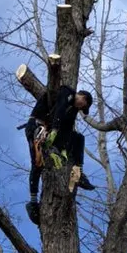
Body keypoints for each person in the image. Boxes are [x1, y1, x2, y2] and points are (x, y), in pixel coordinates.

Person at [22, 85, 95, 224]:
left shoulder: (73, 110)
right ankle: (32, 202)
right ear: (82, 97)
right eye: (82, 104)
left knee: (79, 138)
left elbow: (67, 130)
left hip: (51, 131)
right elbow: (60, 109)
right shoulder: (66, 92)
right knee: (37, 163)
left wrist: (64, 150)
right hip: (36, 126)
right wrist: (54, 130)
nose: (80, 107)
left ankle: (78, 172)